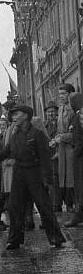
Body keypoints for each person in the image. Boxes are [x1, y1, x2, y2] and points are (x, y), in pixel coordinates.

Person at [0, 103, 65, 250]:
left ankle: (56, 237)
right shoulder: (14, 136)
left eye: (16, 114)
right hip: (19, 173)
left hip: (34, 173)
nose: (13, 117)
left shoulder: (37, 134)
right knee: (14, 207)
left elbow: (45, 158)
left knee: (44, 206)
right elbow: (5, 153)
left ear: (26, 116)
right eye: (12, 115)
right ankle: (14, 240)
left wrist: (47, 179)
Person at [52, 83, 76, 213]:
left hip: (72, 149)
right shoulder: (61, 109)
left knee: (72, 178)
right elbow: (59, 130)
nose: (61, 96)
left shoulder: (74, 110)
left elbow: (75, 133)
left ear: (70, 94)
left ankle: (75, 205)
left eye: (64, 94)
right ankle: (69, 204)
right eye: (59, 94)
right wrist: (55, 140)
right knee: (64, 178)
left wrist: (61, 138)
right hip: (62, 149)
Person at [67, 92, 83, 227]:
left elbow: (80, 140)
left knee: (79, 186)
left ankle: (78, 215)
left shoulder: (80, 116)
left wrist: (75, 153)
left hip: (80, 157)